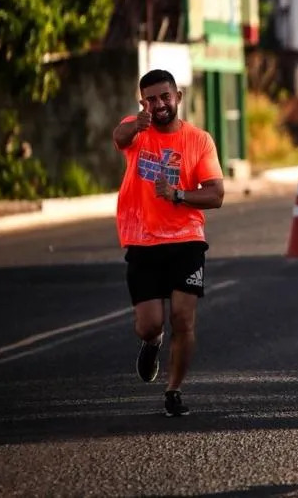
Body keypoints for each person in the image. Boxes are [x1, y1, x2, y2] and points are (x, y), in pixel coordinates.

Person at [113, 69, 225, 417]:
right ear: (142, 102)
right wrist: (136, 124)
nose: (159, 104)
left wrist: (177, 194)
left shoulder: (199, 140)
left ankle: (173, 390)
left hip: (186, 240)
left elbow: (216, 194)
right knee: (150, 324)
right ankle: (152, 342)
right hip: (143, 240)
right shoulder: (137, 131)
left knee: (183, 318)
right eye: (151, 99)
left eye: (165, 96)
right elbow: (119, 136)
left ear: (178, 97)